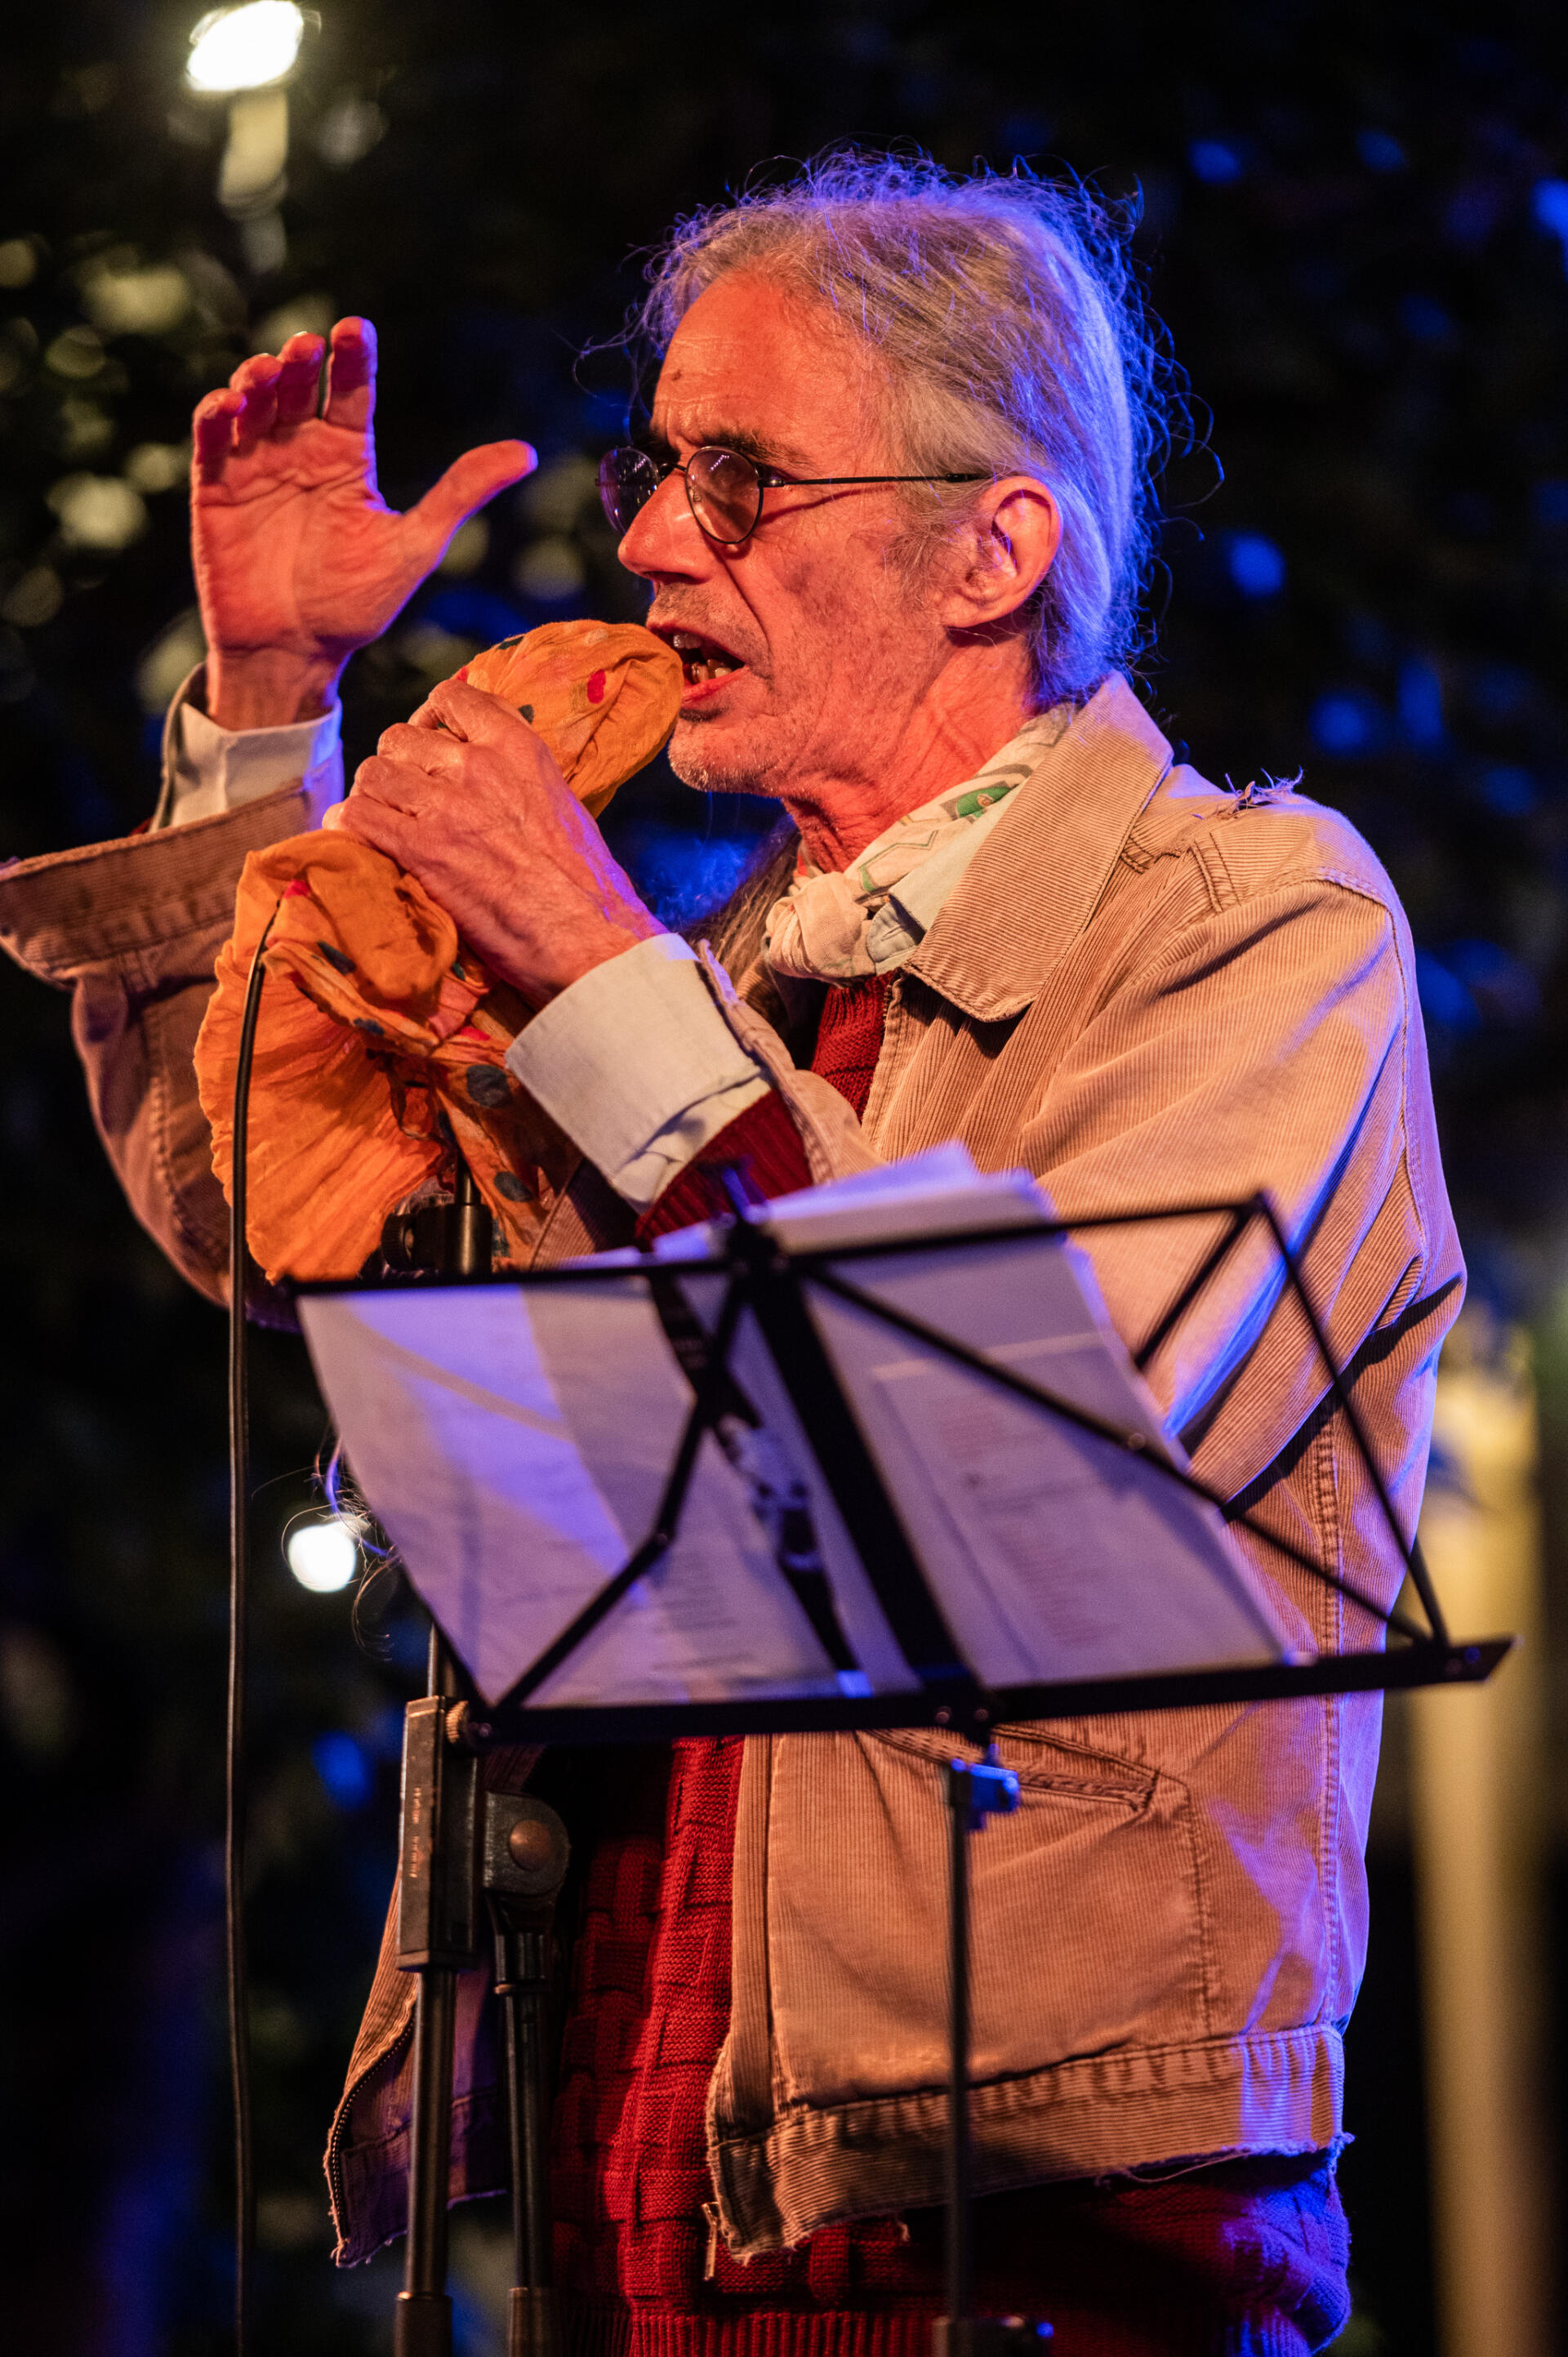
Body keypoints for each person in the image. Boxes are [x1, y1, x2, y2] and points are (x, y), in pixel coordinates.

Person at [0, 155, 1461, 2357]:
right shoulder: (714, 972)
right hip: (634, 2200)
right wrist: (272, 710)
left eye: (746, 479)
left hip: (1023, 2241)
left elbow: (992, 1440)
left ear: (994, 550)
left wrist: (590, 964)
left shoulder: (1250, 922)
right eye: (660, 470)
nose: (656, 542)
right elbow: (262, 1217)